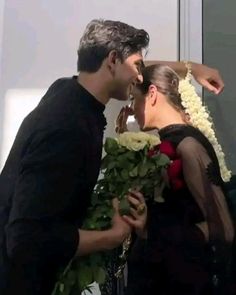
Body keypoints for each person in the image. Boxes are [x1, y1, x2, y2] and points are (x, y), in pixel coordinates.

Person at [0, 18, 226, 295]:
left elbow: (127, 65)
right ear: (112, 60)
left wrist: (192, 69)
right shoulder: (68, 125)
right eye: (136, 67)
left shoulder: (65, 92)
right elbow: (26, 240)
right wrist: (111, 237)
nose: (140, 77)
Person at [117, 64, 235, 295]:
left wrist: (151, 231)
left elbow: (224, 229)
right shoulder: (168, 142)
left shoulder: (187, 145)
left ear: (152, 94)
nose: (133, 108)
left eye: (134, 99)